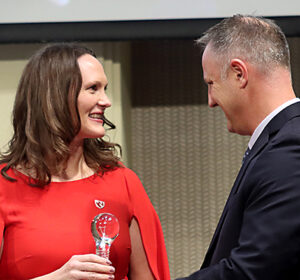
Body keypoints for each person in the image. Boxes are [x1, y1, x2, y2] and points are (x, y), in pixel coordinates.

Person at [0, 43, 170, 280]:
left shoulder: (123, 182)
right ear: (54, 97)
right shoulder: (4, 186)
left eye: (105, 89)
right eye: (93, 89)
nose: (106, 101)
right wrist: (59, 278)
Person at [177, 14, 300, 279]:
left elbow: (253, 270)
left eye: (211, 84)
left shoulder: (290, 148)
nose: (210, 101)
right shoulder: (281, 140)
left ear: (239, 73)